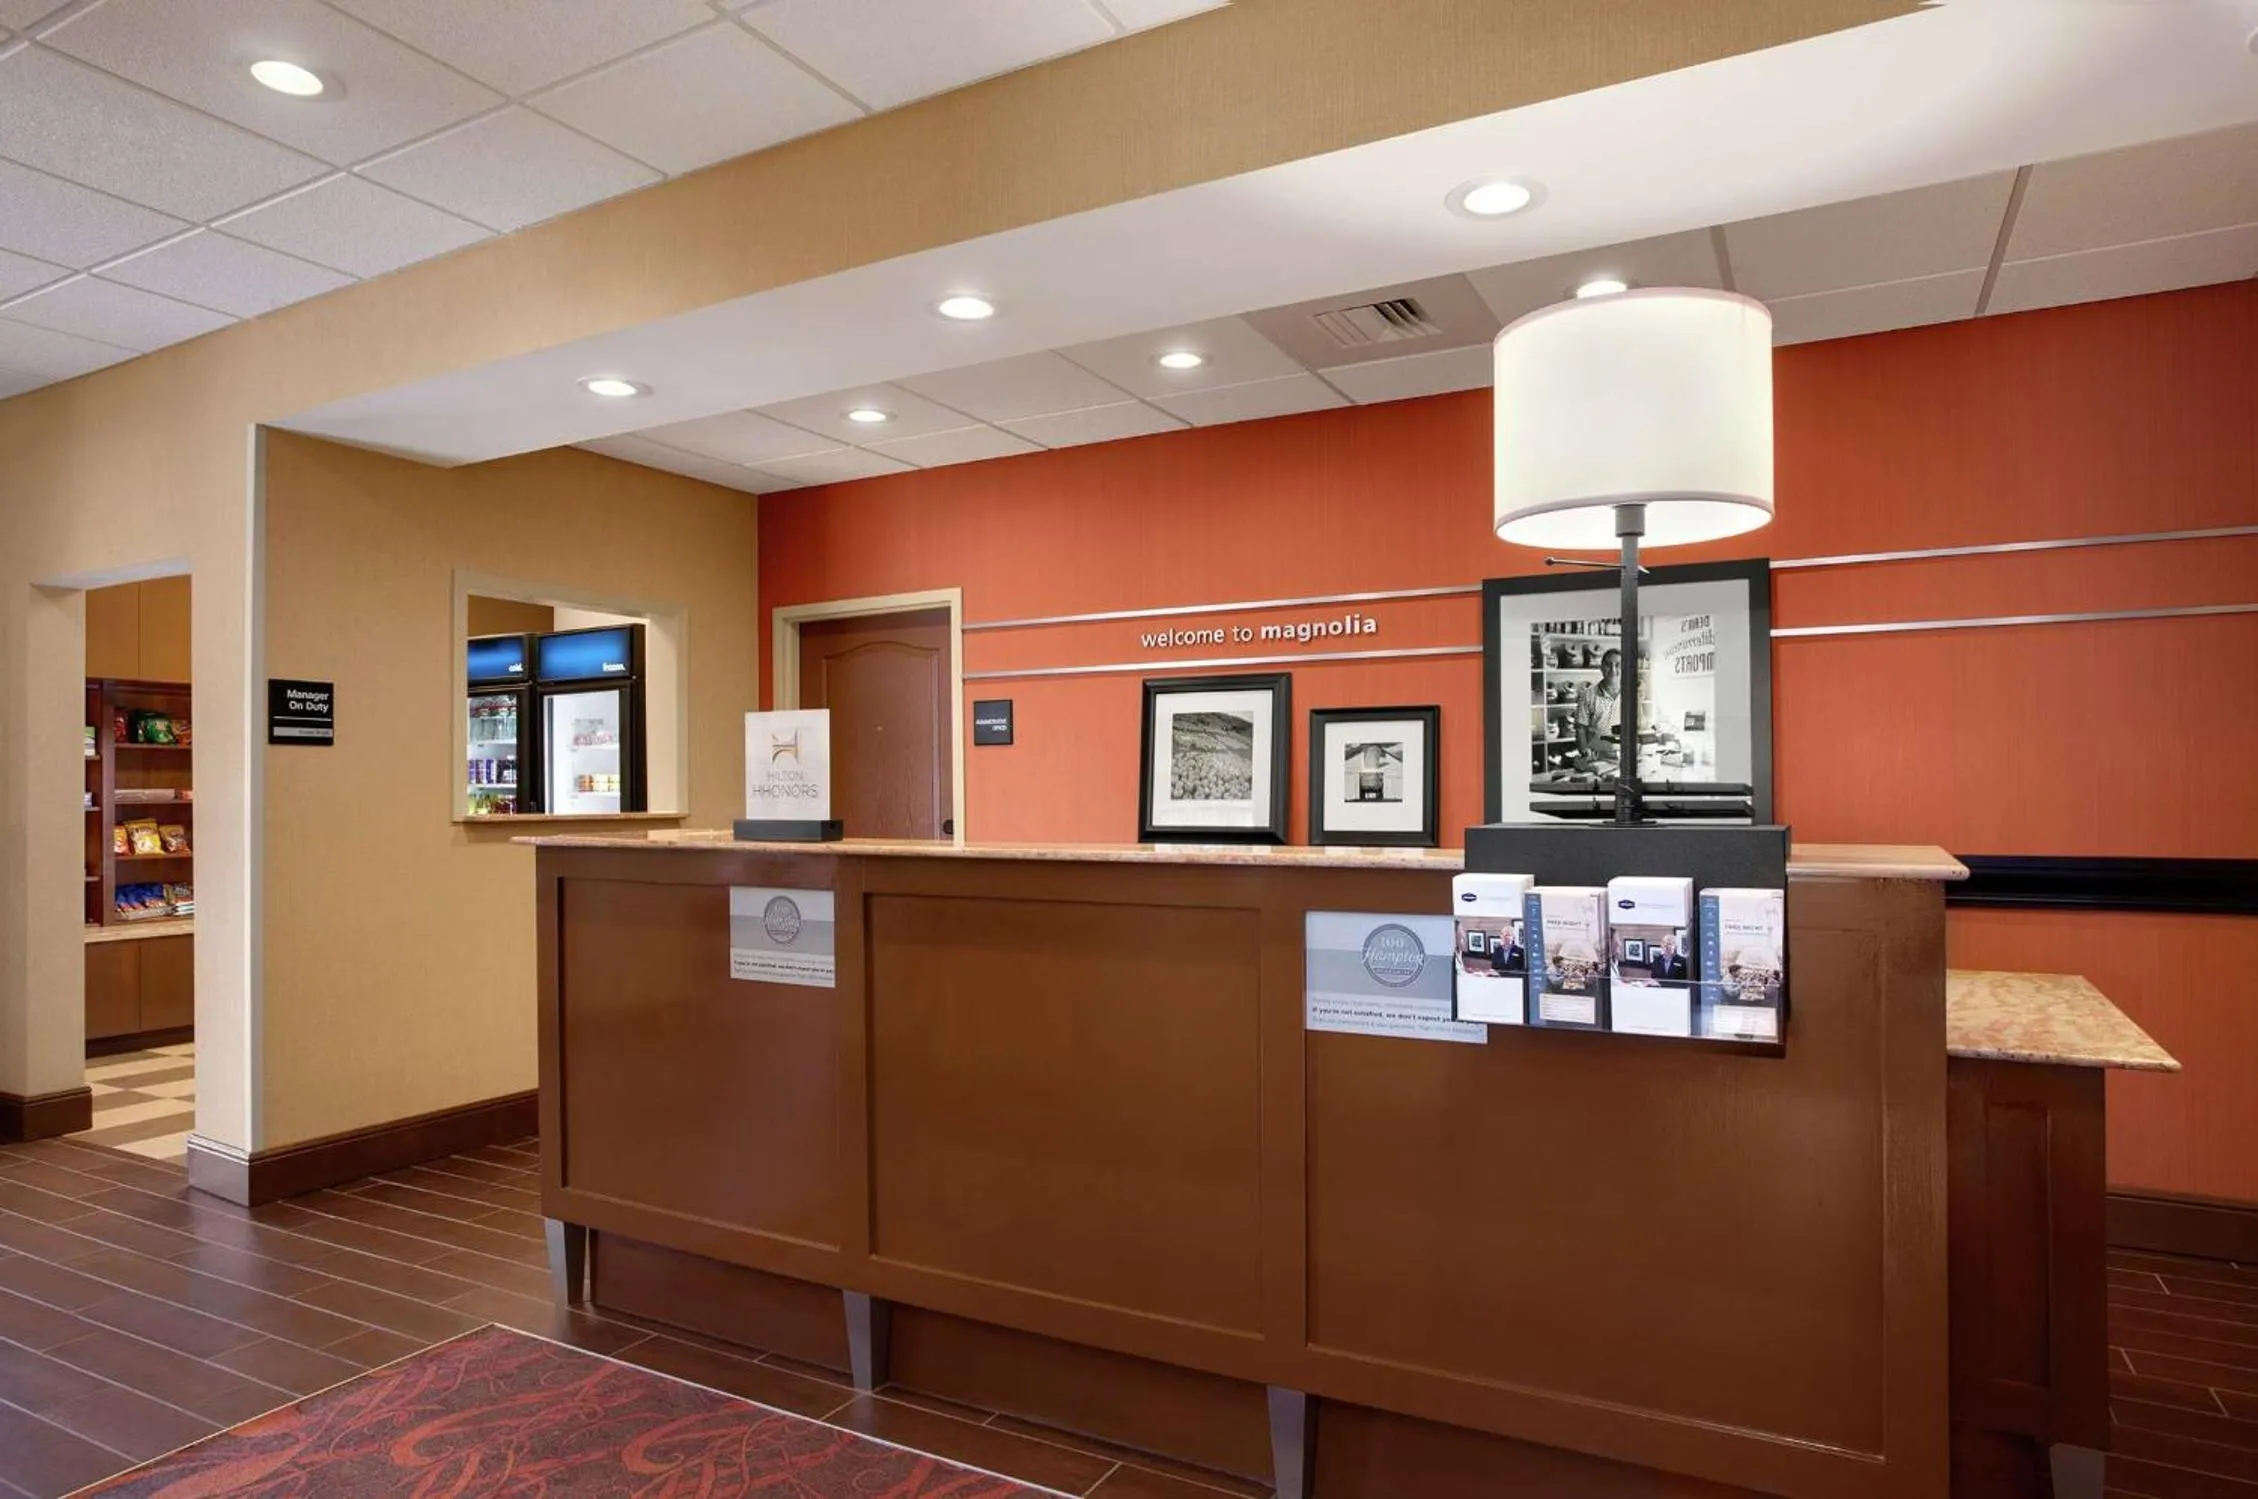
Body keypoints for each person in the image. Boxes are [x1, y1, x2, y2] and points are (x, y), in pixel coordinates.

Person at [1574, 648, 1624, 769]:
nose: (1613, 670)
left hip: (1625, 758)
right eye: (1608, 665)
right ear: (1601, 668)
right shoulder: (1587, 695)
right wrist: (1584, 751)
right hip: (1597, 759)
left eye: (1618, 665)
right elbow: (1580, 728)